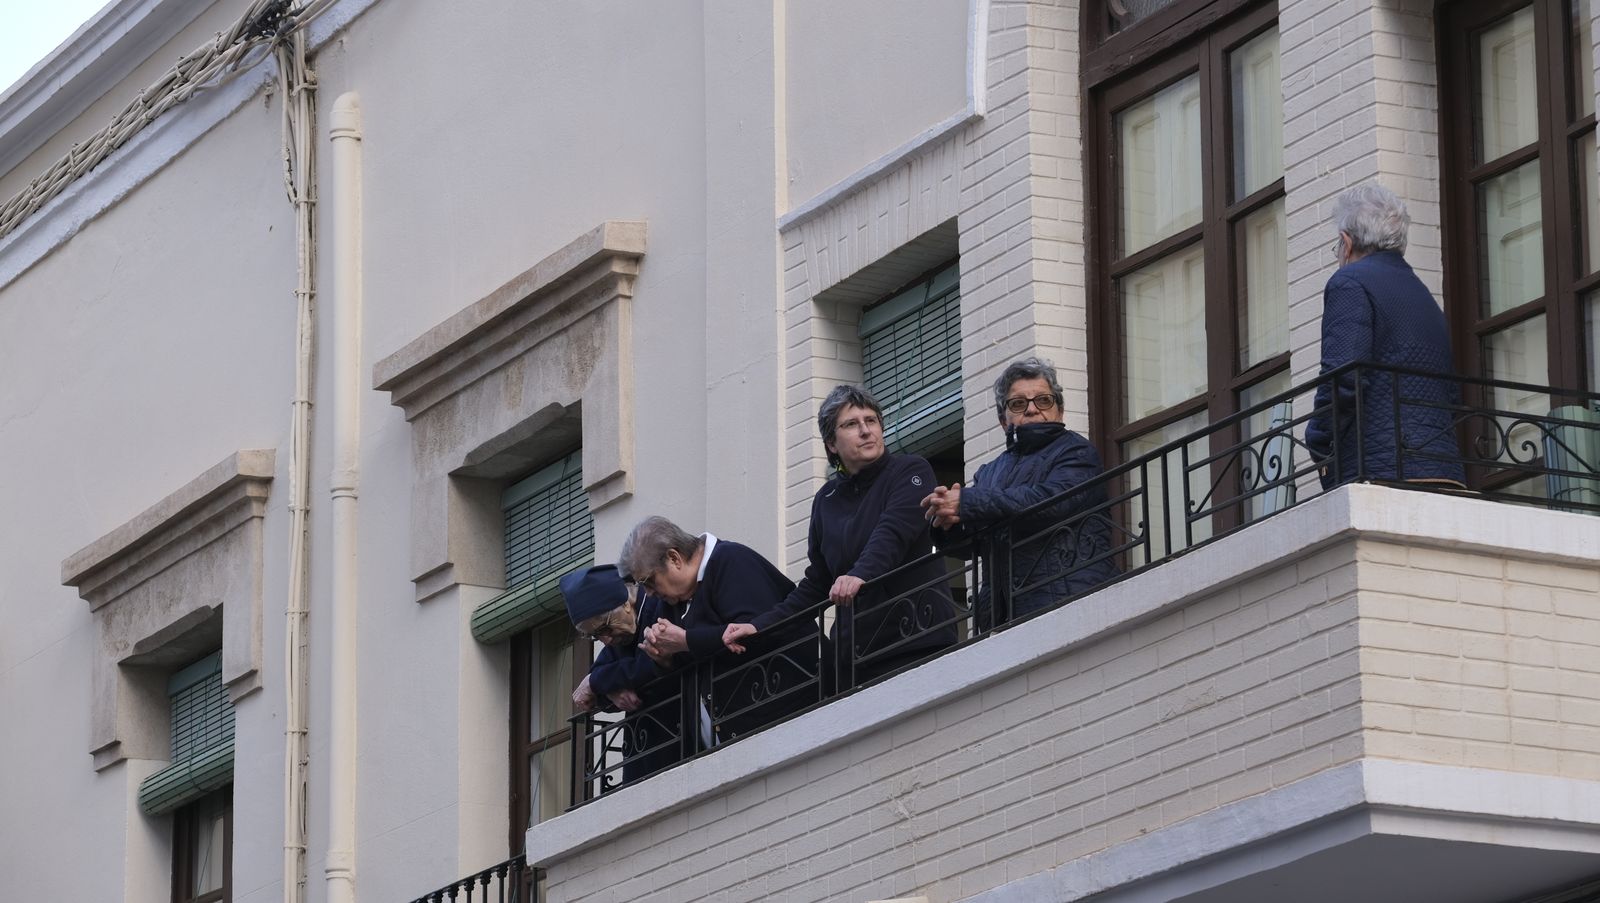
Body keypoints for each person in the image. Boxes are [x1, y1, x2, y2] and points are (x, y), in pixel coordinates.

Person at [723, 385, 957, 688]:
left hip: (917, 640)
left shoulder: (910, 470)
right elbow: (817, 583)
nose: (865, 431)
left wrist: (858, 575)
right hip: (855, 661)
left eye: (871, 421)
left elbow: (893, 532)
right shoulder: (826, 500)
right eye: (851, 424)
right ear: (831, 444)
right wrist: (759, 626)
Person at [920, 357, 1118, 627]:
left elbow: (1048, 503)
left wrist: (967, 502)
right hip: (1003, 618)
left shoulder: (1077, 451)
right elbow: (974, 544)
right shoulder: (989, 472)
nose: (1032, 410)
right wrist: (949, 523)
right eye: (1018, 404)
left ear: (1059, 410)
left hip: (1069, 600)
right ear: (1003, 419)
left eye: (1044, 400)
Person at [1305, 183, 1465, 489]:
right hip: (1443, 469)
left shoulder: (1349, 282)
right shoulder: (1422, 294)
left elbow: (1343, 377)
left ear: (1346, 242)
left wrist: (1319, 439)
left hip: (1383, 471)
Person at [617, 516, 816, 739]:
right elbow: (693, 661)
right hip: (731, 743)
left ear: (674, 558)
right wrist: (665, 659)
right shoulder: (671, 601)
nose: (650, 593)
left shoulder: (731, 561)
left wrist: (686, 641)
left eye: (649, 581)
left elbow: (754, 632)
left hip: (788, 722)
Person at [562, 564, 681, 785]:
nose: (606, 640)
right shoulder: (619, 631)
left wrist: (597, 681)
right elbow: (595, 684)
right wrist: (612, 691)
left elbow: (654, 663)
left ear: (626, 602)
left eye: (605, 628)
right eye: (595, 636)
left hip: (685, 740)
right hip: (646, 750)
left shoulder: (659, 604)